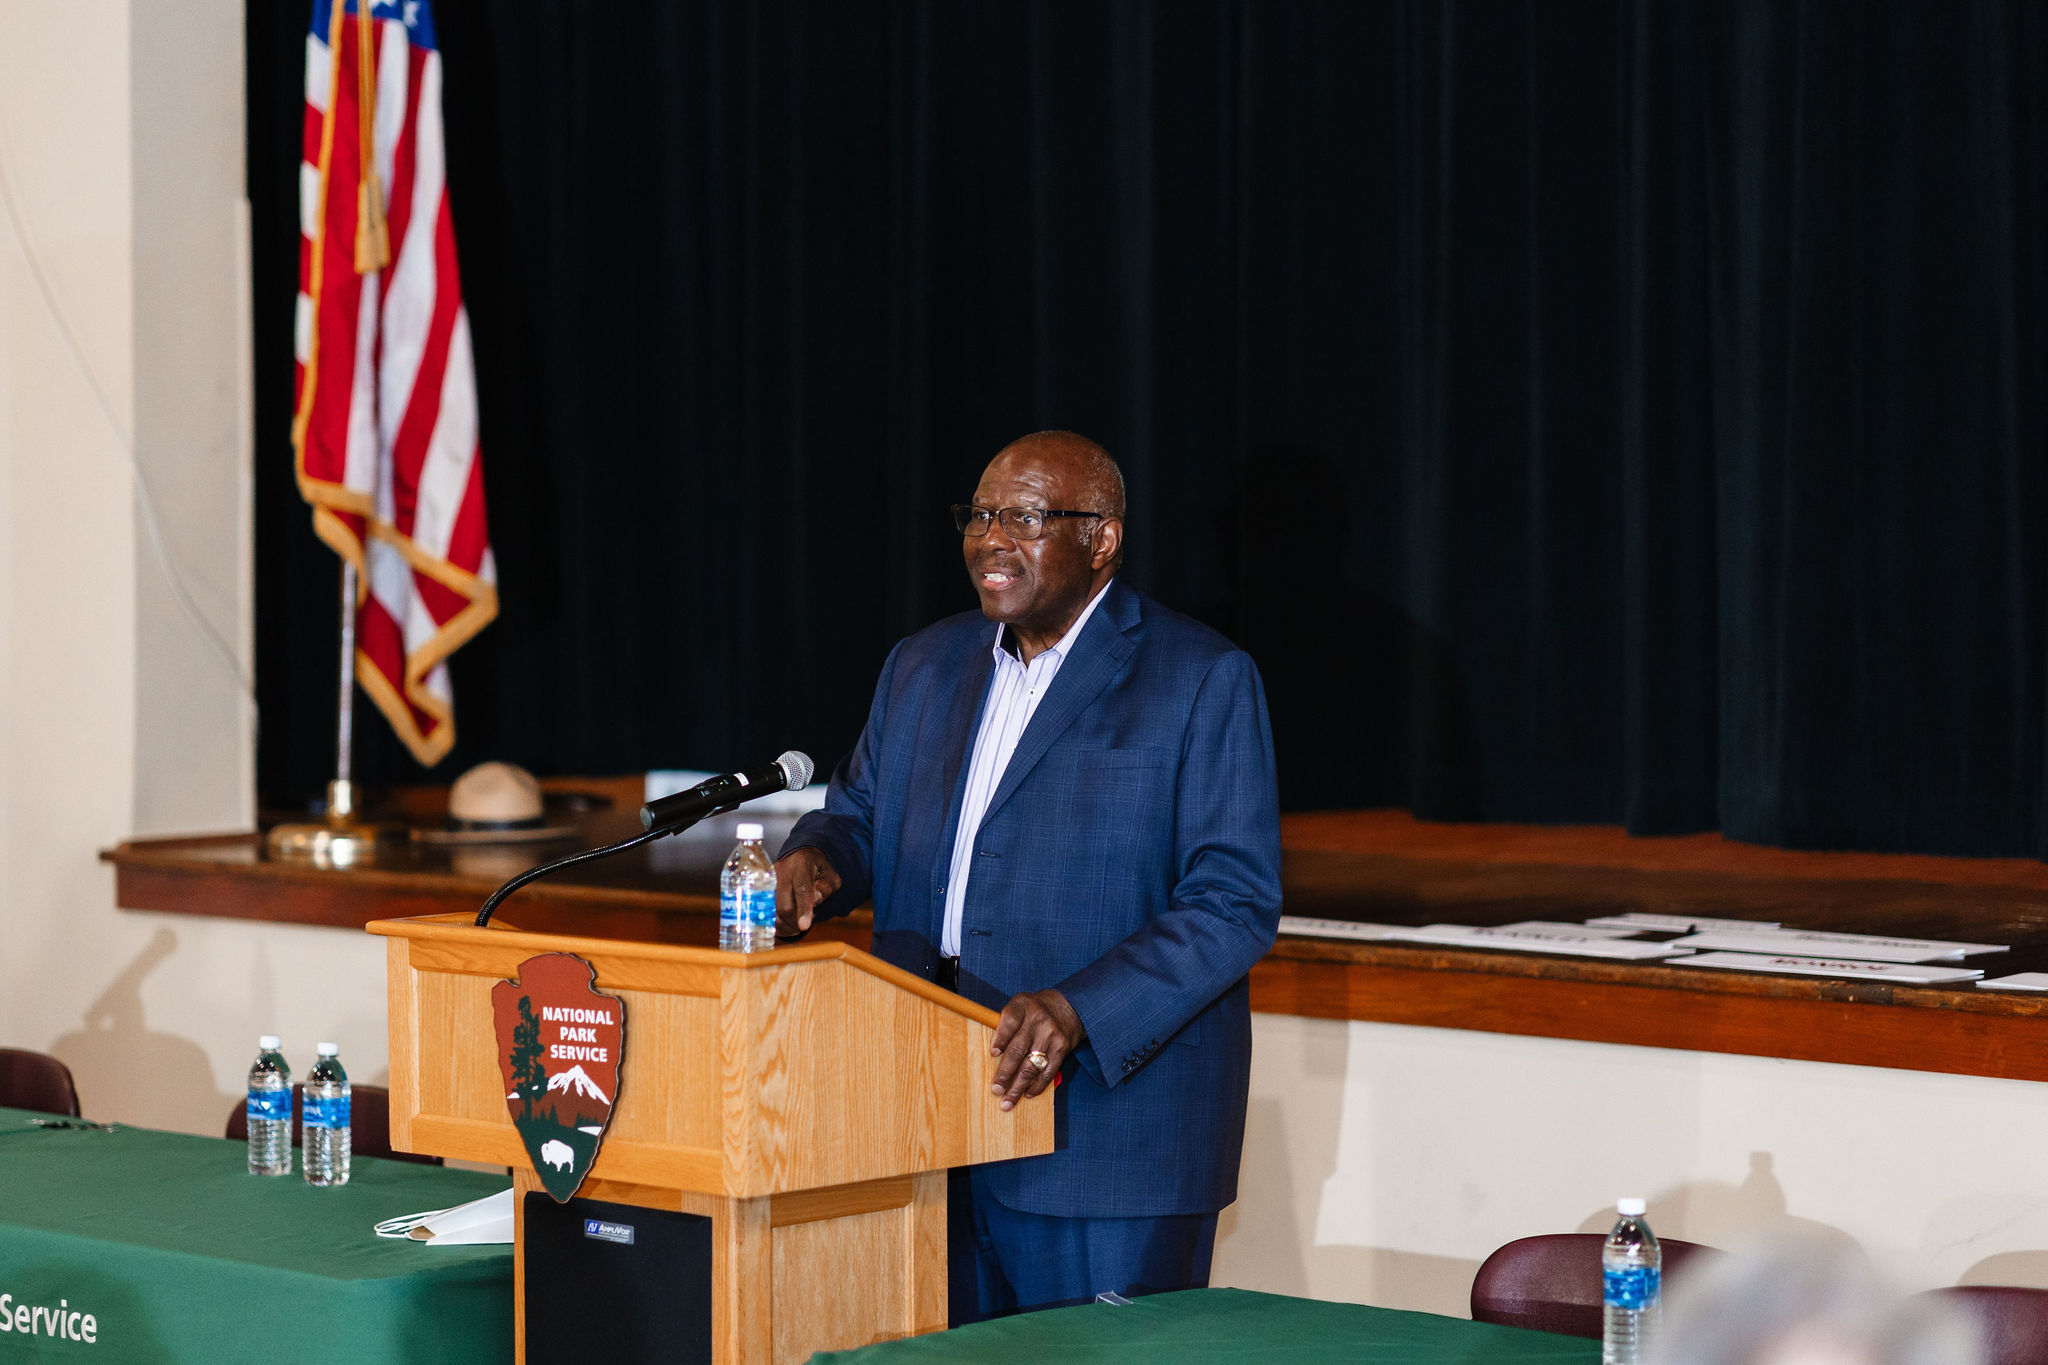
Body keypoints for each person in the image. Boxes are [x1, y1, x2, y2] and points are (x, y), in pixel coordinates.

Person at [776, 430, 1283, 1318]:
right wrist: (818, 861)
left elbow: (1234, 901)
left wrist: (1080, 1004)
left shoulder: (1200, 676)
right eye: (979, 514)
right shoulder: (922, 664)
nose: (990, 538)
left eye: (1026, 516)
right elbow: (856, 815)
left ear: (1103, 538)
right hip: (927, 1114)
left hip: (1105, 1137)